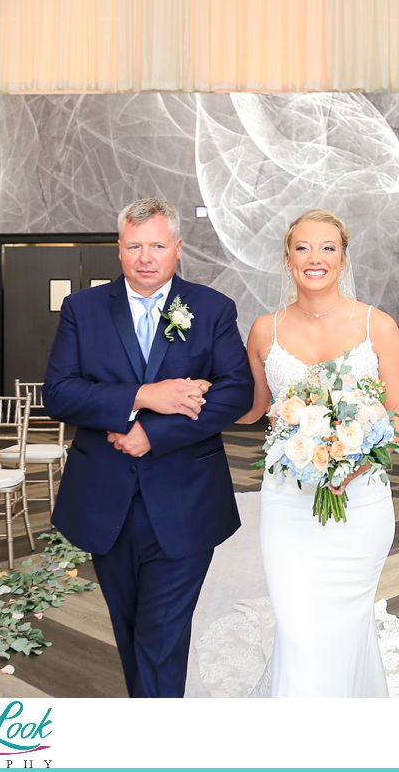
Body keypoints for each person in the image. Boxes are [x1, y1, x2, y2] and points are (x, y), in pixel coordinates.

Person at [43, 197, 255, 698]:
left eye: (157, 245)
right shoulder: (83, 309)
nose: (145, 257)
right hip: (103, 499)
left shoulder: (211, 308)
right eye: (134, 246)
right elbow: (59, 392)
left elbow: (236, 392)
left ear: (177, 248)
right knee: (132, 630)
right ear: (118, 250)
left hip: (185, 499)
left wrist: (152, 433)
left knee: (160, 637)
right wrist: (143, 396)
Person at [239, 209, 399, 697]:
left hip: (361, 506)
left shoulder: (379, 326)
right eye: (303, 248)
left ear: (343, 258)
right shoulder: (263, 331)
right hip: (287, 502)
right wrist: (187, 399)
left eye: (328, 248)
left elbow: (397, 421)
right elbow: (255, 410)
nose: (315, 258)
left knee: (344, 626)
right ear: (287, 259)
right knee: (298, 629)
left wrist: (351, 465)